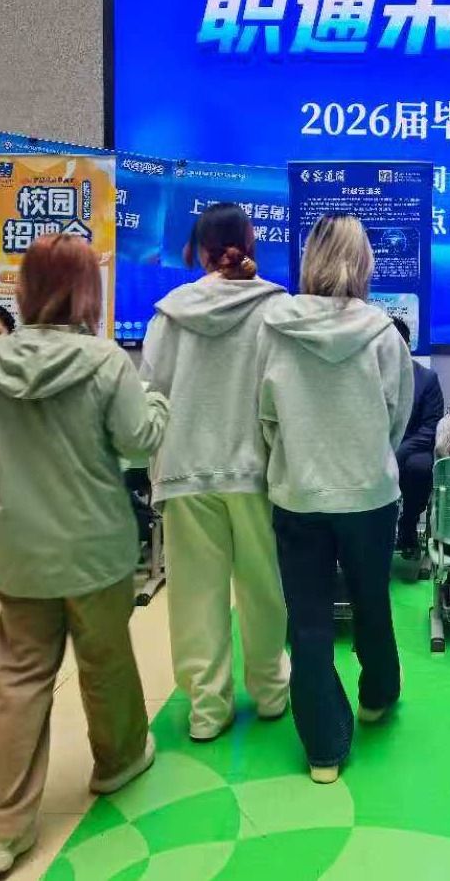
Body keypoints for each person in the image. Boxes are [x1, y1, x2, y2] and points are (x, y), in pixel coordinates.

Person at [0, 234, 169, 876]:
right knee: (105, 662)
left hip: (21, 548)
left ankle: (1, 830)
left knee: (20, 680)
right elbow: (139, 440)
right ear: (87, 291)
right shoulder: (106, 362)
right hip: (95, 546)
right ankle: (118, 761)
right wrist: (157, 399)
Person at [257, 214, 412, 784]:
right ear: (363, 261)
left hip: (298, 492)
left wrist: (293, 455)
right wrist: (368, 454)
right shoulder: (383, 333)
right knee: (372, 599)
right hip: (368, 493)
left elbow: (265, 413)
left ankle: (323, 747)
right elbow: (397, 415)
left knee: (308, 620)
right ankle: (378, 694)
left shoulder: (274, 328)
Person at [141, 202, 291, 743]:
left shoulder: (170, 313)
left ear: (199, 251)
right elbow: (283, 394)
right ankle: (272, 692)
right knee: (264, 587)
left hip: (184, 470)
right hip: (255, 471)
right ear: (250, 243)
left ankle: (207, 709)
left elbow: (151, 392)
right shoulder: (276, 309)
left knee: (195, 595)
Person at [391, 316, 445, 559]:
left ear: (407, 345)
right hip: (374, 446)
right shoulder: (366, 375)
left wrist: (398, 452)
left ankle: (409, 522)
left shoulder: (426, 379)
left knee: (421, 467)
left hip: (412, 448)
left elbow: (431, 427)